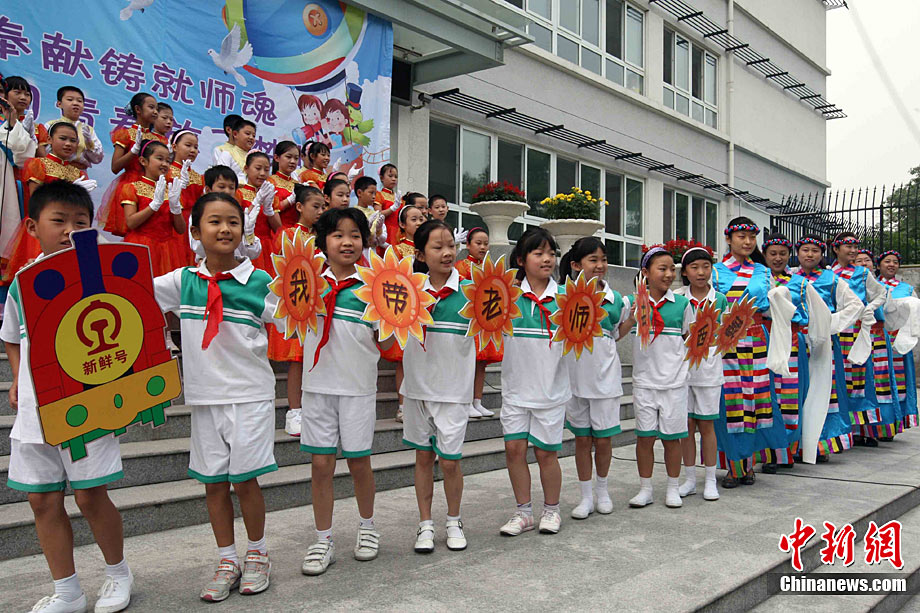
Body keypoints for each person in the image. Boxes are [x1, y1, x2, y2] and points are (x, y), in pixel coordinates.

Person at [4, 182, 134, 613]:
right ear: (32, 226)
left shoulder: (101, 276)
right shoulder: (22, 283)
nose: (69, 231)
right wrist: (17, 378)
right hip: (34, 413)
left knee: (89, 495)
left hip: (86, 406)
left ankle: (118, 574)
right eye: (58, 221)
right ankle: (67, 591)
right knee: (41, 499)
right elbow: (12, 336)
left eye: (80, 223)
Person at [154, 192, 280, 601]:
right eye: (214, 221)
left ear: (243, 230)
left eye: (232, 222)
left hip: (250, 395)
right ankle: (227, 560)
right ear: (195, 231)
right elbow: (133, 292)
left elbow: (296, 315)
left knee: (244, 479)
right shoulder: (182, 282)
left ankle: (258, 554)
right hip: (205, 398)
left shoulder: (260, 282)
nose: (224, 229)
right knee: (213, 484)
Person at [299, 208, 391, 576]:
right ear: (323, 242)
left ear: (365, 241)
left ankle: (367, 527)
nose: (347, 242)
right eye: (337, 235)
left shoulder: (375, 287)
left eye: (355, 235)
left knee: (358, 462)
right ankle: (323, 539)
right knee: (321, 465)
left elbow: (388, 339)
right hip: (317, 387)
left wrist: (394, 322)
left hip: (357, 388)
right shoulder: (306, 282)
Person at [401, 219, 474, 553]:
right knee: (422, 458)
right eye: (438, 247)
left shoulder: (473, 292)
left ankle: (454, 520)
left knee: (450, 462)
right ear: (420, 254)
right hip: (417, 389)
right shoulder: (407, 291)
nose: (447, 253)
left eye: (451, 246)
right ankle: (425, 523)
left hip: (454, 390)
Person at [768, 235, 862, 466]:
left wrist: (828, 325)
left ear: (822, 254)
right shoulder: (789, 277)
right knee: (791, 393)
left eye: (815, 251)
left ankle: (817, 444)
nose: (809, 254)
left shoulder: (831, 279)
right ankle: (790, 445)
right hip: (792, 339)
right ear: (797, 253)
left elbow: (855, 305)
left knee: (822, 392)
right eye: (805, 250)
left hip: (821, 344)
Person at [499, 227, 568, 536]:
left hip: (550, 392)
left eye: (551, 253)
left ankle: (551, 510)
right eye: (538, 253)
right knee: (514, 450)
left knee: (545, 454)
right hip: (515, 390)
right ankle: (523, 512)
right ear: (521, 260)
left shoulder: (566, 299)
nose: (547, 259)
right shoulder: (506, 297)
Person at [712, 218, 788, 487]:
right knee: (731, 402)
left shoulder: (763, 272)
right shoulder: (715, 272)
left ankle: (749, 464)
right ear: (728, 239)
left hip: (756, 340)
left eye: (752, 237)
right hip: (728, 342)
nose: (747, 242)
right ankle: (734, 466)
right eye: (741, 236)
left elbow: (771, 309)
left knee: (758, 401)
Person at [560, 237, 630, 517]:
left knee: (603, 440)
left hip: (605, 378)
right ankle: (586, 496)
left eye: (603, 259)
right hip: (574, 377)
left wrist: (632, 320)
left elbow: (614, 333)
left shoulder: (616, 299)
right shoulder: (564, 296)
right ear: (577, 265)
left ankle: (602, 491)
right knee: (581, 439)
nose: (600, 265)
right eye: (593, 260)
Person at [620, 246, 694, 508]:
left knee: (672, 439)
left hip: (674, 384)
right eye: (662, 269)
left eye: (672, 269)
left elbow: (690, 339)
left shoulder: (682, 304)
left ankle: (673, 487)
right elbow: (617, 334)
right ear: (646, 272)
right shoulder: (631, 303)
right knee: (645, 438)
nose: (669, 274)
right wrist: (632, 319)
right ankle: (646, 489)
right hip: (644, 383)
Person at [2, 123, 97, 286]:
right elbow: (36, 200)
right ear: (49, 139)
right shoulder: (39, 164)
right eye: (63, 138)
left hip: (71, 233)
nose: (68, 144)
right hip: (46, 227)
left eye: (73, 141)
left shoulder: (78, 173)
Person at [268, 184, 324, 438]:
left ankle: (315, 409)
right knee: (298, 359)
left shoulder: (324, 236)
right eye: (315, 206)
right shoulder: (288, 233)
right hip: (297, 301)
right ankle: (294, 411)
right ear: (299, 207)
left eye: (323, 207)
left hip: (320, 303)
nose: (320, 211)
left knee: (318, 356)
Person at [675, 246, 727, 501]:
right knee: (686, 426)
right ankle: (689, 480)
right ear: (685, 272)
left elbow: (726, 335)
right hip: (682, 372)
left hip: (708, 371)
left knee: (707, 425)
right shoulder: (678, 298)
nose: (701, 272)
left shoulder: (720, 300)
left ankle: (710, 480)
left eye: (706, 267)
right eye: (694, 267)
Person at [829, 232, 890, 447]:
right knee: (837, 378)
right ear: (836, 249)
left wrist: (869, 308)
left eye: (855, 246)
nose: (853, 250)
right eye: (848, 246)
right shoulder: (829, 274)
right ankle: (840, 430)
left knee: (859, 378)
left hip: (856, 332)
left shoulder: (863, 273)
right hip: (836, 330)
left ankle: (861, 430)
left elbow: (881, 294)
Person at [99, 92, 164, 237]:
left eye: (157, 109)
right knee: (131, 232)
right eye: (151, 107)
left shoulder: (160, 140)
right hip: (130, 186)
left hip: (153, 187)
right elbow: (115, 167)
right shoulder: (125, 134)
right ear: (138, 109)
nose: (155, 112)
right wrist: (133, 152)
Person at [119, 141, 186, 276]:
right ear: (143, 161)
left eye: (168, 161)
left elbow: (181, 229)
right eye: (160, 159)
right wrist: (154, 205)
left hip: (167, 250)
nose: (165, 164)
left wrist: (176, 209)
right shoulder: (132, 188)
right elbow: (131, 222)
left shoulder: (172, 191)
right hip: (141, 246)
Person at [455, 227, 497, 419]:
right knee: (468, 362)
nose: (482, 247)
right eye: (478, 243)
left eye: (485, 244)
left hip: (485, 320)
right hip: (468, 320)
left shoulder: (489, 267)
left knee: (481, 363)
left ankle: (477, 401)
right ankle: (465, 401)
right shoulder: (461, 266)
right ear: (468, 245)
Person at [761, 233, 794, 474]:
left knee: (788, 399)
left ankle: (788, 451)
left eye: (783, 254)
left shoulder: (798, 280)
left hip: (790, 344)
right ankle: (769, 452)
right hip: (762, 342)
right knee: (766, 399)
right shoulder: (758, 278)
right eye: (773, 253)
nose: (778, 258)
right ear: (764, 255)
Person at [876, 250, 920, 432]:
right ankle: (879, 424)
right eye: (887, 261)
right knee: (880, 381)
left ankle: (895, 423)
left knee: (900, 381)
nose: (891, 265)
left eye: (895, 262)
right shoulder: (873, 286)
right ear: (879, 265)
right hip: (878, 340)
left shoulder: (906, 289)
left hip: (899, 341)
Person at [189, 166, 262, 265]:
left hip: (235, 267)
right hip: (209, 266)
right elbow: (196, 246)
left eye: (231, 187)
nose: (227, 191)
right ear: (208, 189)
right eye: (222, 187)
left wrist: (249, 234)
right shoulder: (201, 212)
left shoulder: (239, 214)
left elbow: (252, 253)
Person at [236, 151, 281, 274]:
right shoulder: (238, 193)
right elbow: (240, 222)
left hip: (267, 246)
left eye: (266, 170)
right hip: (246, 245)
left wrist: (268, 209)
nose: (262, 173)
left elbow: (278, 228)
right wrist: (257, 201)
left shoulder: (270, 193)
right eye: (258, 168)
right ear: (246, 169)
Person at [45, 85, 104, 169]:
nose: (75, 103)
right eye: (70, 99)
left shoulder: (87, 130)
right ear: (59, 104)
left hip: (80, 172)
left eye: (79, 101)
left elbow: (97, 159)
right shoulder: (50, 125)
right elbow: (43, 151)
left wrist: (89, 142)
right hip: (54, 170)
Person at [168, 130, 203, 264]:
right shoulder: (166, 172)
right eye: (188, 145)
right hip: (173, 222)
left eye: (195, 147)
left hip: (192, 223)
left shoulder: (198, 177)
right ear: (174, 147)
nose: (192, 150)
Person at [268, 141, 302, 229]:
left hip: (296, 231)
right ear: (276, 158)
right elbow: (270, 209)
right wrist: (289, 200)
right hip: (278, 230)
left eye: (296, 158)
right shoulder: (270, 182)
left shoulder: (298, 184)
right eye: (288, 157)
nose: (293, 161)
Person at [212, 116, 253, 186]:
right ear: (229, 130)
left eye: (253, 135)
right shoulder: (220, 150)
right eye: (247, 133)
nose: (251, 137)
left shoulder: (251, 153)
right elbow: (221, 175)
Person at [353, 176, 386, 249]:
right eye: (371, 193)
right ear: (359, 193)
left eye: (375, 193)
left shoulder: (375, 214)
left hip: (373, 251)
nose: (374, 197)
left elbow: (381, 241)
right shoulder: (353, 213)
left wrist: (379, 230)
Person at [376, 163, 401, 245]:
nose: (393, 179)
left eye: (396, 177)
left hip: (399, 232)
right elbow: (378, 215)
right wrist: (392, 208)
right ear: (381, 178)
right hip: (386, 231)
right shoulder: (379, 195)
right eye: (390, 176)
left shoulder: (398, 197)